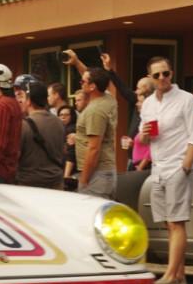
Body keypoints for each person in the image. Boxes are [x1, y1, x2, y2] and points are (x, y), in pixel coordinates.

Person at [138, 56, 193, 284]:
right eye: (156, 75)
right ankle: (181, 274)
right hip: (158, 167)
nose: (162, 78)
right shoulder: (148, 104)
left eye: (165, 73)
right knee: (168, 223)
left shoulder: (187, 100)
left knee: (177, 222)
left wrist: (185, 167)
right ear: (150, 78)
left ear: (172, 73)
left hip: (178, 166)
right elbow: (144, 139)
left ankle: (170, 274)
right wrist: (145, 134)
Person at [14, 78, 65, 190]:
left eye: (22, 97)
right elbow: (63, 150)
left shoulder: (23, 125)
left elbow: (15, 155)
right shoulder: (59, 122)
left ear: (29, 100)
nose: (20, 101)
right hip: (56, 184)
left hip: (29, 186)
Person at [75, 67, 118, 199]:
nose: (80, 83)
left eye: (82, 81)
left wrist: (84, 180)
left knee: (89, 217)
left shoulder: (95, 111)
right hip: (106, 172)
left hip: (96, 174)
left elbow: (94, 148)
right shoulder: (109, 99)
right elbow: (100, 78)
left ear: (93, 86)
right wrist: (77, 62)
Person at [58, 105, 78, 190]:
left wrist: (66, 177)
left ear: (72, 116)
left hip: (71, 172)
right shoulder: (62, 129)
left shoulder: (71, 129)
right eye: (61, 115)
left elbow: (71, 155)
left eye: (66, 115)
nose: (63, 117)